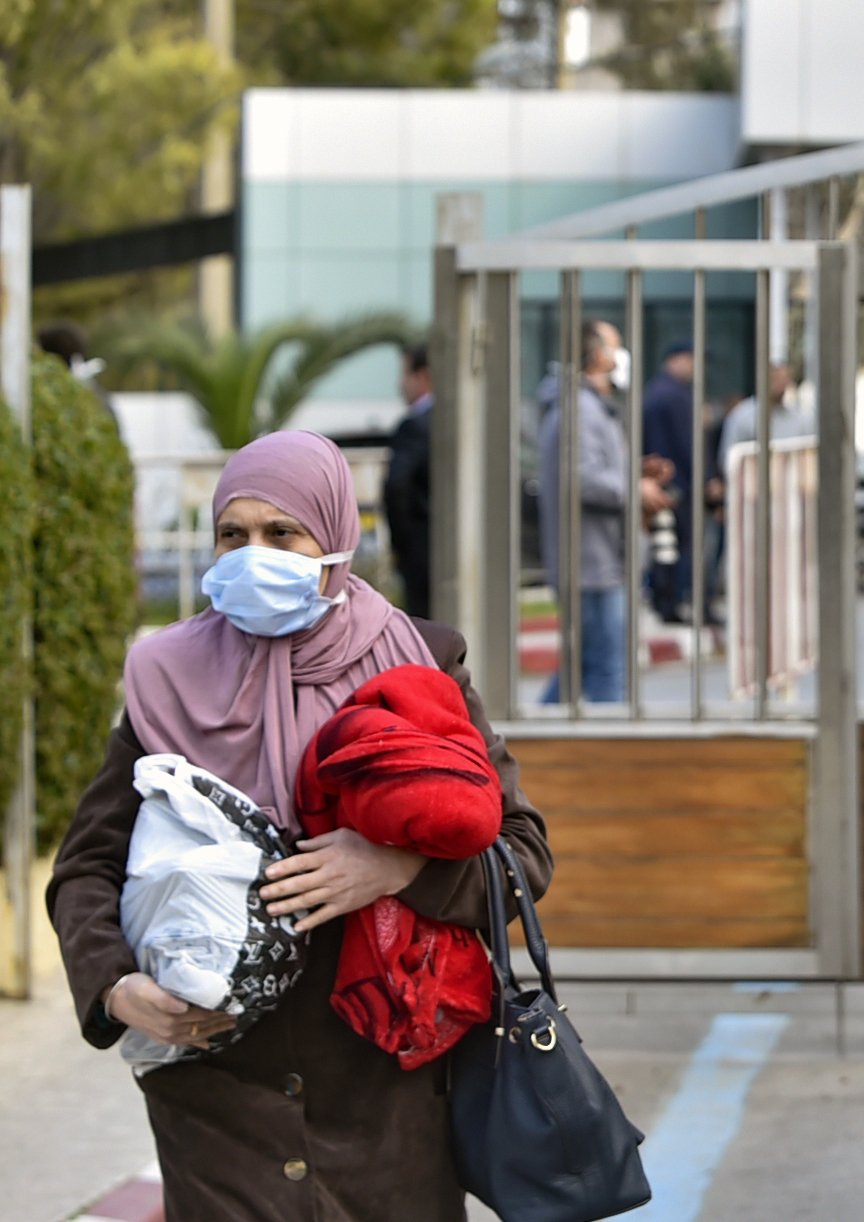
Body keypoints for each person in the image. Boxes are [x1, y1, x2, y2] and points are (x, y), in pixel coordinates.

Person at [46, 430, 552, 1222]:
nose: (254, 554)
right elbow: (86, 867)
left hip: (389, 1091)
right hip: (216, 1089)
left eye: (282, 534)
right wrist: (117, 989)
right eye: (232, 535)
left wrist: (399, 867)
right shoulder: (166, 680)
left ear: (336, 538)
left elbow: (523, 855)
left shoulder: (420, 666)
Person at [537, 319, 671, 704]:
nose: (620, 356)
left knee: (579, 670)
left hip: (597, 561)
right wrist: (635, 487)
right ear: (597, 355)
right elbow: (582, 479)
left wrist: (635, 474)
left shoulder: (586, 407)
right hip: (593, 566)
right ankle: (608, 755)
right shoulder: (579, 410)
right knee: (608, 673)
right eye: (615, 347)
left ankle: (527, 749)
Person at [641, 341, 700, 622]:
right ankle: (669, 603)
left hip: (658, 481)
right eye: (690, 360)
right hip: (674, 483)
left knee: (664, 545)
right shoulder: (674, 395)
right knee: (673, 547)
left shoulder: (656, 391)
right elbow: (686, 443)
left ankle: (663, 601)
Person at [382, 344, 434, 618]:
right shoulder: (458, 421)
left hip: (421, 552)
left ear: (422, 376)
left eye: (404, 374)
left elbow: (396, 486)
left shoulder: (415, 426)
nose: (400, 384)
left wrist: (402, 544)